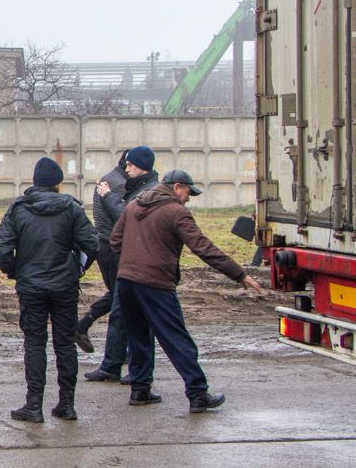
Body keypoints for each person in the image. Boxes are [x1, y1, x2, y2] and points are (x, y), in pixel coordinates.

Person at [111, 169, 262, 412]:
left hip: (126, 281)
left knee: (138, 336)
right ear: (177, 186)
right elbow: (203, 247)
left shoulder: (133, 206)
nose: (188, 198)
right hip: (156, 283)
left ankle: (140, 389)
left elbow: (115, 241)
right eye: (188, 192)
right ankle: (197, 393)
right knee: (176, 338)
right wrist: (239, 274)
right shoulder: (176, 212)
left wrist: (134, 260)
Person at [0, 157, 98, 423]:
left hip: (31, 286)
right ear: (58, 183)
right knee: (65, 344)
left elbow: (1, 248)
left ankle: (34, 404)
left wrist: (15, 271)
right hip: (64, 286)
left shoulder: (18, 208)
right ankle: (67, 403)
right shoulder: (72, 209)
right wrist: (78, 268)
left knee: (34, 343)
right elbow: (93, 244)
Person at [83, 145, 159, 384]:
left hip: (134, 258)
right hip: (126, 254)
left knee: (132, 312)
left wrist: (108, 196)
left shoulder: (143, 189)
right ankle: (117, 366)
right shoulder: (134, 185)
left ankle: (134, 373)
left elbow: (126, 215)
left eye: (131, 165)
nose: (127, 168)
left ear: (139, 166)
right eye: (126, 165)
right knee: (121, 309)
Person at [74, 149, 130, 353]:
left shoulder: (109, 179)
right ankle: (116, 353)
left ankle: (84, 325)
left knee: (118, 293)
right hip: (114, 247)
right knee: (121, 296)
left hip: (104, 245)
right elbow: (125, 216)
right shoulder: (120, 185)